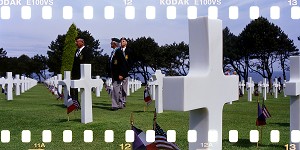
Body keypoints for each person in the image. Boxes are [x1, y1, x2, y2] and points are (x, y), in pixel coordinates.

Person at [108, 38, 128, 111]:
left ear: (115, 44)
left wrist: (121, 74)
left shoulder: (118, 52)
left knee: (115, 90)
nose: (110, 44)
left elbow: (123, 64)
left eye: (111, 43)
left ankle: (115, 105)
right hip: (114, 74)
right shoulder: (113, 52)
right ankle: (120, 104)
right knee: (117, 90)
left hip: (118, 74)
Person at [119, 37, 133, 107]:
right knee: (118, 88)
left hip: (125, 72)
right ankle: (119, 101)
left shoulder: (129, 51)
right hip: (118, 72)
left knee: (124, 88)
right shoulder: (118, 51)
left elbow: (130, 62)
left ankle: (123, 101)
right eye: (121, 41)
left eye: (123, 41)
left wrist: (126, 70)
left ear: (126, 43)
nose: (122, 42)